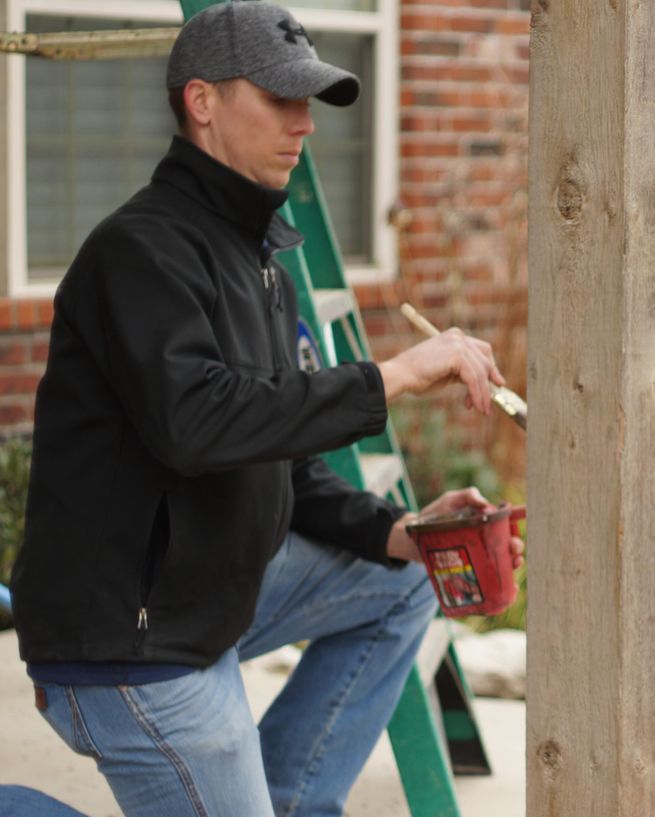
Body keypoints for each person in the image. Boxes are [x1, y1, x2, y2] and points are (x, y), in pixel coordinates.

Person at [9, 2, 523, 815]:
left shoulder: (265, 263)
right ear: (202, 102)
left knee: (407, 580)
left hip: (210, 595)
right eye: (281, 100)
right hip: (128, 639)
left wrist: (402, 532)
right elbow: (199, 425)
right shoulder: (139, 252)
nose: (305, 124)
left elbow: (284, 458)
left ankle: (288, 800)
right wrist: (391, 375)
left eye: (308, 102)